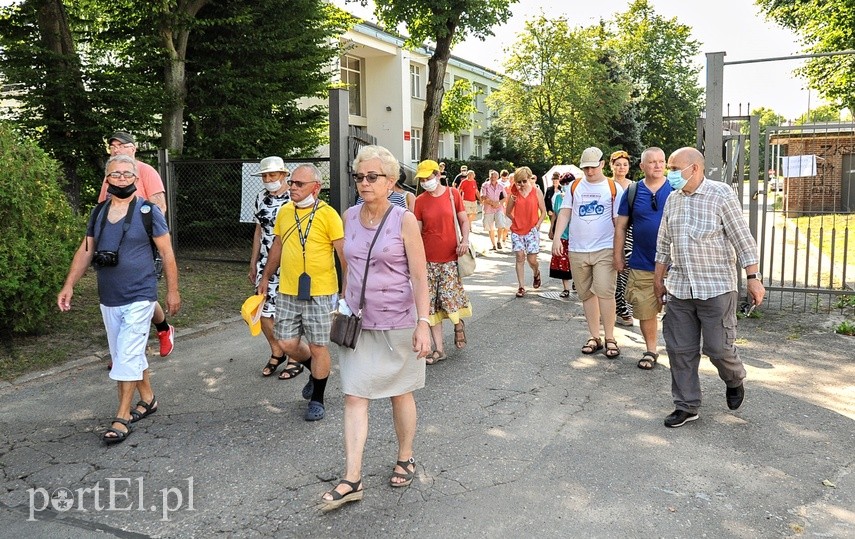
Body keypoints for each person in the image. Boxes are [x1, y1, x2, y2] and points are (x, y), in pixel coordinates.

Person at [321, 145, 431, 510]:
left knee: (401, 393)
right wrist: (343, 302)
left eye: (372, 176)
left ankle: (405, 456)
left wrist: (423, 323)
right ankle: (352, 478)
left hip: (398, 321)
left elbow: (419, 275)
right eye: (359, 177)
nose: (364, 183)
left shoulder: (404, 220)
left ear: (391, 181)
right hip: (358, 323)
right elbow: (349, 266)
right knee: (354, 395)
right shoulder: (349, 216)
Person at [58, 154, 180, 444]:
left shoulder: (149, 211)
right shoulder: (99, 212)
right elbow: (86, 251)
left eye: (127, 174)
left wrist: (172, 290)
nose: (122, 178)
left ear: (136, 178)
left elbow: (167, 253)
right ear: (107, 179)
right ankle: (147, 399)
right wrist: (69, 285)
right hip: (109, 297)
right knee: (126, 353)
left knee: (126, 355)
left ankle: (122, 416)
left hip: (141, 295)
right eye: (116, 174)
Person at [654, 147, 765, 428]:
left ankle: (734, 378)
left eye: (674, 168)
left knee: (718, 348)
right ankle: (686, 405)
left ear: (694, 168)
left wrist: (753, 277)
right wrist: (658, 279)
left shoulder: (720, 194)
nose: (670, 173)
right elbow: (663, 243)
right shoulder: (673, 199)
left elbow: (742, 238)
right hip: (680, 287)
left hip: (716, 287)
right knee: (679, 350)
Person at [258, 164, 344, 421]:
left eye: (299, 184)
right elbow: (277, 246)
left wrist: (347, 291)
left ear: (315, 187)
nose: (292, 187)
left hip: (321, 291)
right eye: (292, 182)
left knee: (318, 346)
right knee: (286, 343)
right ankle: (315, 372)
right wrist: (266, 277)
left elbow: (344, 255)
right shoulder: (285, 212)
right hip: (288, 289)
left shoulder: (329, 215)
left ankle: (317, 398)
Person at [98, 131, 175, 362]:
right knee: (124, 295)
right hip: (114, 246)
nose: (116, 149)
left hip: (141, 242)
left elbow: (160, 206)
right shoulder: (110, 176)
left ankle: (155, 334)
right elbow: (103, 208)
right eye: (113, 146)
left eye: (122, 146)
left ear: (134, 149)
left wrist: (141, 230)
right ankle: (130, 345)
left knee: (141, 294)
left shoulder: (146, 171)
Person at [551, 147, 624, 358]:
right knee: (586, 294)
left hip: (604, 248)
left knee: (605, 292)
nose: (590, 171)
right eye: (586, 168)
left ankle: (610, 337)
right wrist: (557, 237)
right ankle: (594, 337)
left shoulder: (613, 187)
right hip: (577, 249)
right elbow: (565, 212)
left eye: (593, 167)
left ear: (602, 164)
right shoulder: (574, 186)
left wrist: (619, 251)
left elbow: (618, 221)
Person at [613, 148, 672, 370]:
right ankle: (651, 350)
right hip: (642, 262)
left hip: (676, 265)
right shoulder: (633, 191)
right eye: (652, 162)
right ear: (642, 166)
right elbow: (621, 226)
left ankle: (680, 352)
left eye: (661, 161)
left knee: (680, 313)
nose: (657, 166)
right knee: (645, 309)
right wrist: (618, 256)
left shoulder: (676, 188)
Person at [412, 159, 472, 363]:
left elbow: (463, 220)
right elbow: (417, 232)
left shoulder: (452, 194)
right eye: (422, 180)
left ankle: (458, 324)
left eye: (428, 178)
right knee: (430, 305)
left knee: (448, 299)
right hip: (428, 260)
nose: (425, 182)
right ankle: (439, 349)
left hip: (450, 258)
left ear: (438, 175)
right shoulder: (420, 201)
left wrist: (465, 240)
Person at [248, 156, 291, 377]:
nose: (268, 179)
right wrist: (253, 262)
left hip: (290, 263)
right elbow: (259, 231)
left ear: (283, 175)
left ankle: (295, 356)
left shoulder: (294, 198)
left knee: (289, 310)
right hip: (265, 262)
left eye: (272, 175)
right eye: (264, 176)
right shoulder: (260, 197)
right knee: (262, 310)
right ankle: (277, 349)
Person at [505, 166, 547, 298]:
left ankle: (536, 272)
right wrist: (516, 220)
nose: (522, 184)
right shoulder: (514, 194)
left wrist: (538, 225)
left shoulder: (536, 192)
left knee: (532, 259)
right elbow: (508, 212)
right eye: (519, 182)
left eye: (524, 181)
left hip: (531, 230)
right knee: (519, 256)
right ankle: (521, 286)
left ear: (529, 179)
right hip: (517, 231)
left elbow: (543, 211)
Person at [610, 150, 635, 326]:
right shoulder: (607, 185)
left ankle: (624, 309)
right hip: (608, 231)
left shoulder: (634, 186)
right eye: (618, 164)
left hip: (630, 232)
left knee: (625, 269)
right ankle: (612, 307)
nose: (621, 168)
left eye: (625, 164)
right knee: (610, 271)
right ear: (612, 166)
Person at [548, 173, 574, 297]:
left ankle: (576, 281)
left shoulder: (577, 196)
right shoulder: (558, 197)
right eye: (564, 183)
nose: (566, 185)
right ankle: (566, 288)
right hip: (562, 234)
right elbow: (555, 213)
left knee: (575, 260)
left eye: (568, 183)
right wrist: (551, 229)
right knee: (563, 260)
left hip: (575, 235)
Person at [480, 169, 505, 250]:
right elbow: (483, 197)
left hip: (498, 208)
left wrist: (499, 203)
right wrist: (492, 203)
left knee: (500, 224)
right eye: (491, 176)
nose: (493, 178)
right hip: (488, 209)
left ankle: (498, 241)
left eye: (495, 177)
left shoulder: (500, 186)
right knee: (490, 227)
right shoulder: (485, 185)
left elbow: (504, 197)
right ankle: (493, 244)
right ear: (489, 176)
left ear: (497, 177)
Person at [497, 169, 511, 247]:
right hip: (501, 203)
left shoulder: (509, 183)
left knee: (507, 220)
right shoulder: (498, 182)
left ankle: (505, 235)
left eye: (506, 178)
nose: (504, 179)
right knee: (501, 219)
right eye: (503, 178)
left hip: (508, 203)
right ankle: (501, 234)